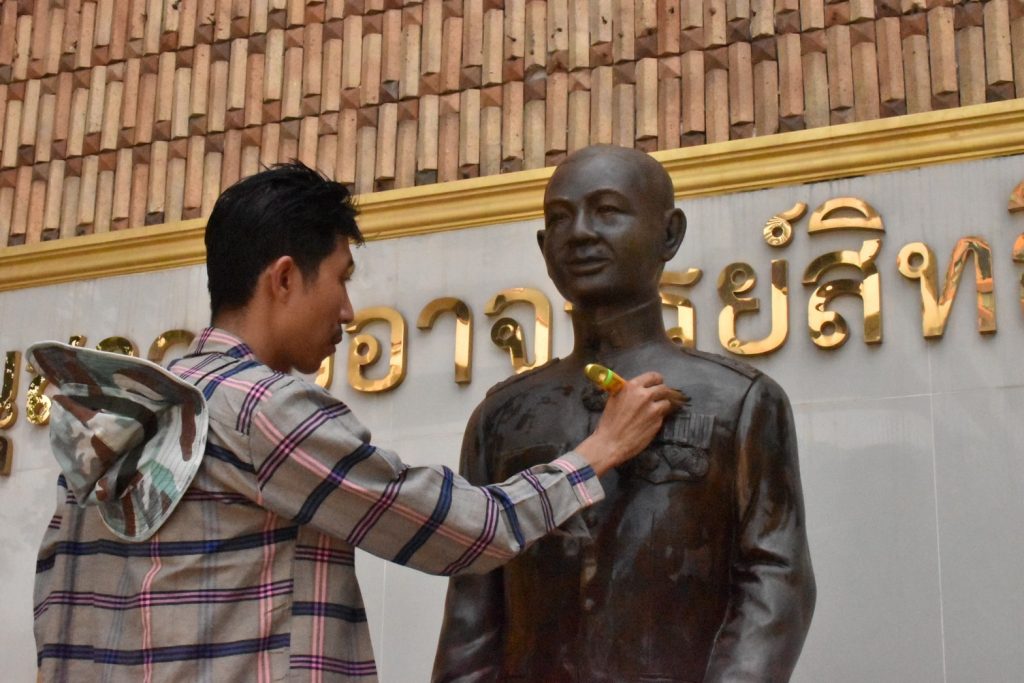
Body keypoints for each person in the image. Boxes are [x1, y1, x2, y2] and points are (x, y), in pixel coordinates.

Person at [30, 162, 682, 681]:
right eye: (340, 279)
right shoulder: (263, 411)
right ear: (285, 278)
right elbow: (465, 531)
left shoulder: (119, 418)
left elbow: (54, 617)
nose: (347, 311)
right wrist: (596, 451)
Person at [433, 145, 816, 682]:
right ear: (544, 246)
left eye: (608, 211)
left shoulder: (739, 399)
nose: (581, 233)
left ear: (669, 234)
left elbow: (776, 581)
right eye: (560, 219)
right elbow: (474, 608)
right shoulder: (503, 414)